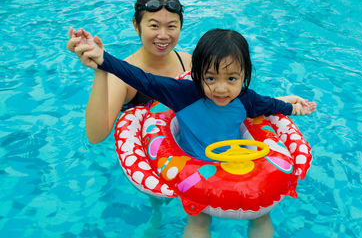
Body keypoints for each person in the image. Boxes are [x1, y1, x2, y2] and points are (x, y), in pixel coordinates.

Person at [72, 27, 317, 237]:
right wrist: (103, 59)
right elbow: (142, 79)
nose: (221, 89)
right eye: (211, 78)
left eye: (232, 79)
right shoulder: (183, 93)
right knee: (199, 220)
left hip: (238, 168)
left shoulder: (247, 99)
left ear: (244, 76)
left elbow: (272, 105)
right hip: (196, 174)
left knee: (262, 216)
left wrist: (295, 107)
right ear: (197, 74)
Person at [67, 0, 191, 144]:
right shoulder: (122, 76)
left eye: (171, 26)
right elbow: (95, 136)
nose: (163, 35)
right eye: (154, 26)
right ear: (136, 25)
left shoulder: (188, 63)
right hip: (148, 158)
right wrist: (100, 70)